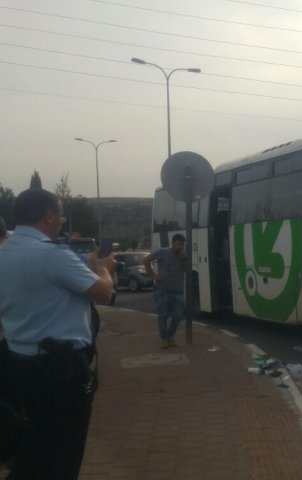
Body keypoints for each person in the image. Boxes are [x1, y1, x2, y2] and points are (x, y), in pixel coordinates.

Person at [0, 188, 115, 479]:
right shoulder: (53, 255)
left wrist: (87, 265)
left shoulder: (5, 253)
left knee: (37, 444)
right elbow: (103, 292)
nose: (62, 222)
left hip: (20, 361)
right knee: (64, 450)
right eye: (61, 215)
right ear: (49, 216)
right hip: (60, 369)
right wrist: (104, 269)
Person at [143, 233, 187, 349]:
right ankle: (164, 339)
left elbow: (186, 270)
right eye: (178, 244)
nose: (180, 247)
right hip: (163, 289)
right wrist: (153, 275)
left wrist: (184, 260)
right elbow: (146, 260)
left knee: (178, 315)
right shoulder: (163, 252)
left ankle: (170, 336)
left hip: (178, 290)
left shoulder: (182, 255)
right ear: (172, 243)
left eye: (182, 245)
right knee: (162, 315)